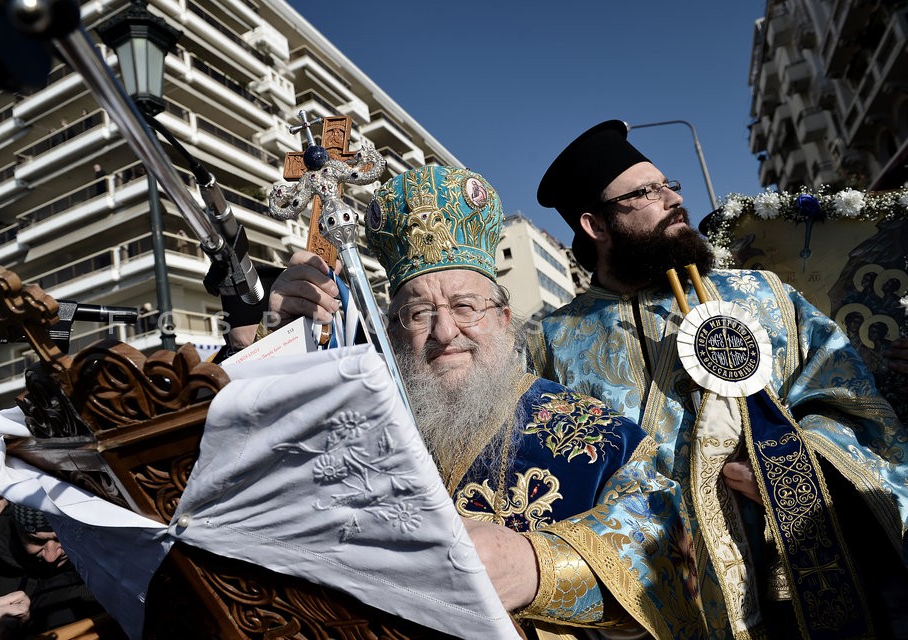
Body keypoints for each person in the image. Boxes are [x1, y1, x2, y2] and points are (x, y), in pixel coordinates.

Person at [268, 165, 706, 638]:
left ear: (502, 318)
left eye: (464, 306)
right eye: (417, 314)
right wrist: (283, 342)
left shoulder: (599, 436)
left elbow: (669, 551)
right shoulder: (361, 430)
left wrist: (537, 568)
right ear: (394, 333)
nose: (444, 332)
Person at [533, 120, 908, 638]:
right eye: (645, 192)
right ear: (595, 226)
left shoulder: (761, 294)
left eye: (670, 185)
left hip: (792, 570)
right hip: (660, 596)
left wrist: (797, 466)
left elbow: (848, 398)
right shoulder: (552, 341)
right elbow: (556, 471)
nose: (671, 199)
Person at [0, 502, 123, 639]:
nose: (51, 557)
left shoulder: (109, 573)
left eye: (62, 538)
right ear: (16, 530)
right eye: (35, 541)